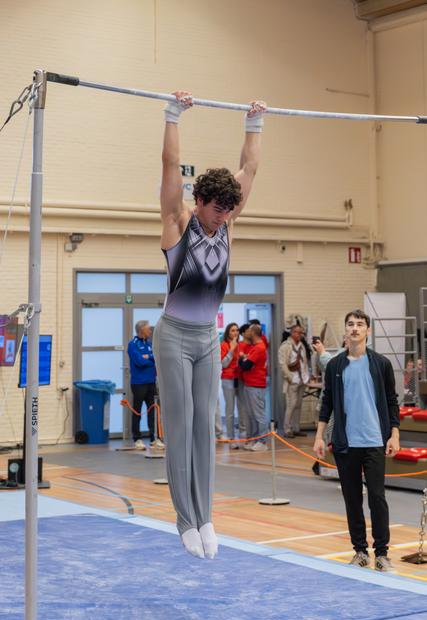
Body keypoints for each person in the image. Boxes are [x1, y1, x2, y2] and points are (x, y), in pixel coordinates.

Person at [152, 90, 267, 559]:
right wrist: (173, 114)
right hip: (173, 335)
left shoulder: (229, 223)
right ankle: (184, 519)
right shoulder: (179, 222)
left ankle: (206, 515)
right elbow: (168, 167)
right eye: (217, 208)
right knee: (180, 427)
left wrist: (254, 123)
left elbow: (250, 168)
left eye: (229, 209)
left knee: (206, 427)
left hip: (206, 338)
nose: (223, 217)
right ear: (199, 201)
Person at [313, 309, 400, 572]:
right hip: (345, 444)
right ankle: (360, 551)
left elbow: (392, 401)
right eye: (350, 324)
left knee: (377, 498)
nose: (354, 328)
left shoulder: (381, 364)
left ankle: (382, 553)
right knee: (352, 499)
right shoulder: (336, 366)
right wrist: (319, 435)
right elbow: (326, 402)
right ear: (345, 331)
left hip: (374, 441)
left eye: (359, 324)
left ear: (368, 331)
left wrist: (394, 434)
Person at [127, 321, 163, 450]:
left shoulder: (149, 344)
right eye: (148, 328)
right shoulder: (133, 344)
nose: (150, 331)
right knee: (137, 410)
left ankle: (154, 438)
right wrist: (150, 360)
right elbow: (139, 361)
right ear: (141, 330)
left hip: (151, 382)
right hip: (138, 383)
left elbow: (157, 357)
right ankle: (137, 439)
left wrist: (149, 356)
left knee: (153, 410)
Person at [239, 324, 268, 452]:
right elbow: (246, 364)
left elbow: (245, 365)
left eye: (249, 331)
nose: (246, 333)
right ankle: (255, 439)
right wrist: (243, 360)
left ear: (253, 332)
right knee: (251, 414)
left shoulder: (259, 348)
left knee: (258, 415)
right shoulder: (254, 348)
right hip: (249, 384)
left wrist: (241, 359)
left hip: (256, 385)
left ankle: (262, 441)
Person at [278, 324, 310, 438]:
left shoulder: (302, 346)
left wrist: (306, 377)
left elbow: (304, 362)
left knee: (299, 405)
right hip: (292, 379)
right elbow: (283, 364)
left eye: (300, 332)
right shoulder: (285, 346)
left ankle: (296, 428)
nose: (299, 334)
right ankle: (287, 429)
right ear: (292, 333)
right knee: (291, 405)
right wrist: (289, 377)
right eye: (297, 332)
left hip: (302, 378)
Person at [220, 322, 241, 449]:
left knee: (242, 409)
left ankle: (243, 436)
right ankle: (231, 438)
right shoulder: (223, 345)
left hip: (239, 378)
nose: (235, 333)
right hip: (228, 379)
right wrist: (231, 350)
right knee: (230, 411)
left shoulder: (240, 345)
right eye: (233, 330)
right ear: (228, 332)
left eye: (237, 330)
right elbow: (223, 364)